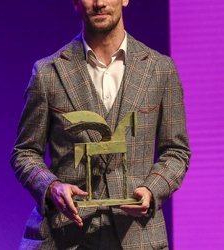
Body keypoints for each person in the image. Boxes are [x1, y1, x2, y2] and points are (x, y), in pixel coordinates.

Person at [11, 0, 191, 249]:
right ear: (75, 2)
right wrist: (52, 187)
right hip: (64, 235)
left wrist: (152, 189)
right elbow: (25, 152)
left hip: (136, 236)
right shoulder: (48, 73)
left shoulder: (160, 70)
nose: (99, 3)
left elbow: (176, 151)